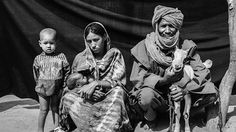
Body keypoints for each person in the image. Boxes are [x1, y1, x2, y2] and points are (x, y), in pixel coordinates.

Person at [129, 5, 218, 130]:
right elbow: (138, 77)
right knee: (145, 97)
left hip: (182, 96)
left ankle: (184, 114)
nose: (167, 30)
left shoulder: (186, 46)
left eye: (171, 26)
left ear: (177, 28)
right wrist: (164, 80)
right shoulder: (144, 47)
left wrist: (185, 90)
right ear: (156, 27)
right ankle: (152, 118)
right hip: (158, 98)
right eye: (163, 26)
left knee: (212, 91)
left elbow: (201, 72)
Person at [59, 22, 132, 132]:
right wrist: (87, 93)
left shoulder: (115, 54)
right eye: (89, 41)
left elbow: (119, 82)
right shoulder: (81, 58)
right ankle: (89, 127)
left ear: (104, 38)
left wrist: (96, 84)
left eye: (96, 40)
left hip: (108, 95)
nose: (93, 44)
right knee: (67, 97)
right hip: (87, 98)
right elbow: (73, 84)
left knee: (118, 92)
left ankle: (106, 128)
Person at [33, 28, 70, 132]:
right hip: (42, 89)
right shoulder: (38, 59)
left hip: (56, 88)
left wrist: (63, 85)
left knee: (55, 108)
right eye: (45, 43)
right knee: (43, 110)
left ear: (56, 43)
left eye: (51, 43)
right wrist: (39, 84)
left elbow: (67, 70)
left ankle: (56, 129)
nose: (48, 46)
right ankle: (40, 130)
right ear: (40, 44)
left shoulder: (61, 57)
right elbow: (35, 74)